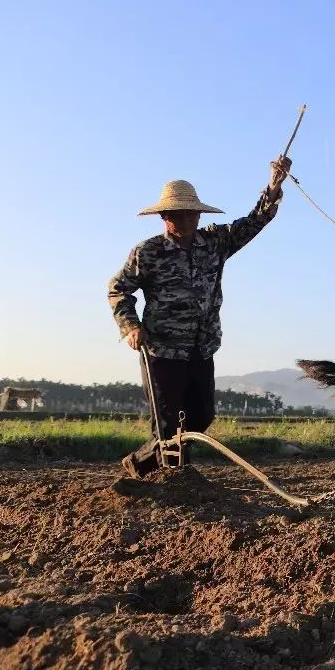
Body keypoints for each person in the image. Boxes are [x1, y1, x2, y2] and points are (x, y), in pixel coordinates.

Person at [107, 157, 291, 477]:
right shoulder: (147, 252)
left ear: (199, 214)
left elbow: (254, 222)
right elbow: (119, 290)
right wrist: (131, 326)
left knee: (201, 416)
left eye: (191, 213)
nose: (187, 219)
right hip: (162, 349)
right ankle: (178, 479)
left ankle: (140, 464)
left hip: (201, 346)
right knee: (168, 423)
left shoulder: (215, 242)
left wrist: (274, 186)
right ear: (165, 217)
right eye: (179, 214)